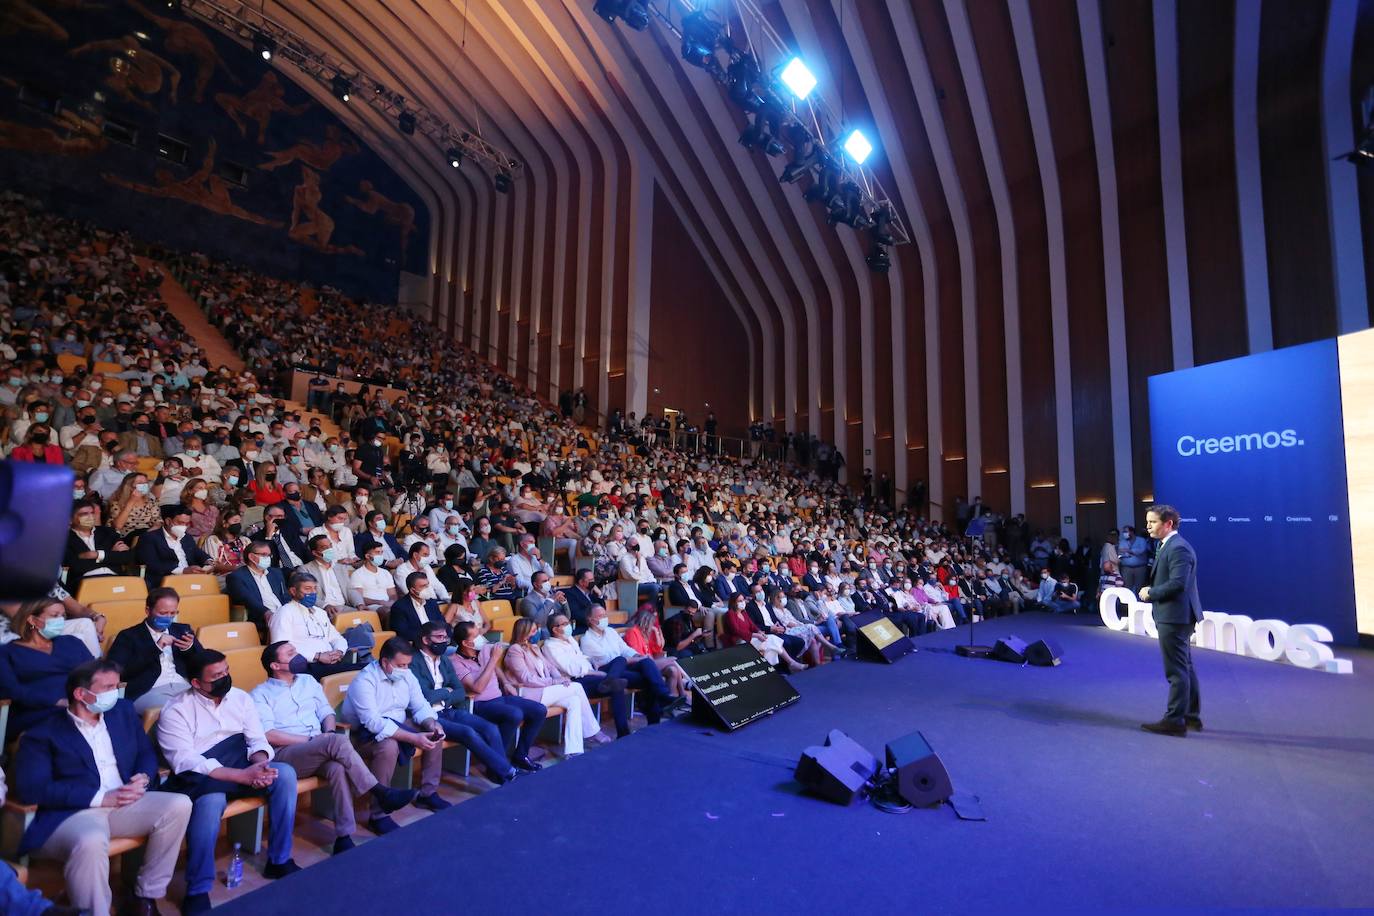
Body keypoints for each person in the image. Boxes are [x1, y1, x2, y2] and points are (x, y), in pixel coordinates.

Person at [12, 659, 194, 916]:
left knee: (179, 804)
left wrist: (141, 776)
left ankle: (146, 897)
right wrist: (101, 798)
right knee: (91, 840)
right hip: (75, 812)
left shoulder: (122, 711)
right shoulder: (43, 733)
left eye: (115, 685)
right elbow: (33, 789)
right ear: (80, 693)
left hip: (124, 801)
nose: (114, 692)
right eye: (107, 687)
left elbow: (145, 752)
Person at [157, 650, 301, 914]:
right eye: (217, 676)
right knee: (210, 803)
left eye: (226, 671)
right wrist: (241, 776)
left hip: (242, 762)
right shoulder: (176, 710)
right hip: (204, 777)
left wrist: (260, 765)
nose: (225, 678)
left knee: (285, 775)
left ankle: (279, 860)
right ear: (196, 683)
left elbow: (256, 739)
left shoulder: (240, 698)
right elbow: (187, 761)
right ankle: (198, 888)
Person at [251, 641, 417, 853]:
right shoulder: (260, 694)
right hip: (286, 753)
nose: (298, 654)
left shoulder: (308, 681)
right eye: (291, 653)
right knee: (335, 741)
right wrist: (315, 741)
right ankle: (380, 792)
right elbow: (269, 734)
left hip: (317, 747)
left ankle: (344, 836)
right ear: (275, 665)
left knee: (337, 767)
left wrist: (327, 734)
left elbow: (326, 712)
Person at [337, 637, 453, 833]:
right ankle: (378, 814)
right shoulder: (364, 681)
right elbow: (374, 723)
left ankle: (427, 793)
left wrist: (432, 723)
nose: (405, 670)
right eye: (401, 665)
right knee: (389, 746)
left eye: (407, 665)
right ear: (384, 662)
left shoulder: (406, 675)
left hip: (398, 723)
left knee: (434, 733)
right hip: (363, 735)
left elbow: (420, 705)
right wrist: (413, 738)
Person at [406, 621, 522, 784]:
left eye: (446, 638)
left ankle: (501, 773)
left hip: (450, 710)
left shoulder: (444, 660)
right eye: (439, 637)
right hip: (430, 716)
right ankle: (507, 771)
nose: (444, 642)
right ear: (426, 640)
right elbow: (426, 696)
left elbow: (460, 692)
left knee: (490, 728)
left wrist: (446, 696)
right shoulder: (413, 662)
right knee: (468, 733)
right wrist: (447, 691)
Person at [1137, 505, 1203, 737]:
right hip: (1177, 615)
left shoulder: (1178, 548)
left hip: (1174, 616)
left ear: (1168, 524)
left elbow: (1177, 584)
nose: (1148, 527)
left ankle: (1175, 721)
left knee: (1176, 671)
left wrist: (1150, 593)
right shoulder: (1170, 545)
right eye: (1147, 522)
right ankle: (1190, 717)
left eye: (1152, 522)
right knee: (1184, 667)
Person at [450, 622, 549, 770]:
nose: (481, 638)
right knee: (514, 714)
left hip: (499, 697)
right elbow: (477, 688)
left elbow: (495, 667)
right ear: (465, 643)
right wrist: (493, 659)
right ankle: (497, 766)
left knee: (539, 710)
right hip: (479, 704)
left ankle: (521, 755)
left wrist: (506, 682)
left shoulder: (483, 650)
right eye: (476, 636)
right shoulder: (455, 661)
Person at [502, 617, 604, 755]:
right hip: (528, 693)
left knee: (574, 701)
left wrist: (559, 677)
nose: (537, 633)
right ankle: (593, 732)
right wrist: (555, 682)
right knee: (576, 687)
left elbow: (550, 667)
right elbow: (526, 679)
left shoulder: (534, 647)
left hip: (545, 690)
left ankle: (574, 750)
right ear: (524, 632)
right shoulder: (515, 650)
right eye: (533, 630)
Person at [0, 598, 95, 736]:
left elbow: (95, 673)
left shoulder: (72, 642)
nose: (60, 620)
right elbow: (12, 690)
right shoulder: (8, 653)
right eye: (55, 615)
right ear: (32, 620)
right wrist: (55, 700)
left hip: (80, 704)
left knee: (122, 708)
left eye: (63, 616)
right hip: (37, 711)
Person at [105, 587, 202, 712]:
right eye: (163, 613)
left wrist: (189, 648)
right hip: (147, 690)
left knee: (210, 702)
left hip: (182, 685)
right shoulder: (128, 636)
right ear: (148, 610)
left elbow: (204, 662)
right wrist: (156, 648)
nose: (168, 618)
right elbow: (117, 671)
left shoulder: (182, 630)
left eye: (173, 613)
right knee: (177, 711)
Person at [580, 606, 683, 722]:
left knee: (646, 662)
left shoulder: (610, 632)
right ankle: (657, 710)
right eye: (600, 616)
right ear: (590, 619)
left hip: (626, 665)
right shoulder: (587, 639)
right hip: (610, 672)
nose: (604, 618)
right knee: (648, 678)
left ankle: (663, 696)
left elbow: (625, 649)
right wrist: (632, 660)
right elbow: (608, 660)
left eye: (605, 615)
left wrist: (637, 656)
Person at [541, 611, 632, 738]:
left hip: (591, 674)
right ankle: (623, 733)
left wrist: (591, 663)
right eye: (565, 624)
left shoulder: (570, 640)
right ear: (555, 629)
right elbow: (572, 670)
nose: (569, 626)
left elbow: (583, 659)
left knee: (620, 660)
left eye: (568, 622)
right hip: (577, 681)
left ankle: (610, 679)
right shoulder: (550, 646)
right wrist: (593, 671)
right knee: (617, 684)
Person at [269, 571, 363, 678]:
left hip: (332, 662)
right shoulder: (284, 612)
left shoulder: (320, 612)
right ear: (293, 591)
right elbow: (280, 647)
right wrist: (317, 656)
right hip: (307, 666)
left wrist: (339, 651)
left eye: (314, 588)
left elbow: (336, 638)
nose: (313, 593)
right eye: (307, 589)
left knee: (368, 669)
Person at [720, 593, 805, 673]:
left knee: (771, 645)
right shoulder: (730, 614)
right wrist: (756, 635)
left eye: (743, 600)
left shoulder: (743, 612)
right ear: (733, 602)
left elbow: (752, 626)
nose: (742, 602)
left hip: (750, 637)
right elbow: (736, 631)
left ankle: (778, 668)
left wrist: (759, 632)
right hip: (739, 640)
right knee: (771, 640)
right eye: (739, 601)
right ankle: (791, 663)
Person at [136, 504, 214, 587]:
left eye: (187, 524)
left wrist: (208, 561)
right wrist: (183, 571)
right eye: (181, 523)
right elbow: (152, 564)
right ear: (168, 521)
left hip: (191, 579)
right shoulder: (150, 538)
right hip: (165, 581)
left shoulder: (186, 537)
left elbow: (198, 553)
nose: (184, 526)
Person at [622, 607, 692, 698]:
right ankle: (683, 691)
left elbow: (659, 648)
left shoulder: (646, 634)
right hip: (642, 664)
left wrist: (656, 632)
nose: (652, 626)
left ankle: (672, 698)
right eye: (652, 624)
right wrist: (649, 657)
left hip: (652, 663)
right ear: (645, 622)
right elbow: (636, 655)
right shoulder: (632, 632)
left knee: (673, 670)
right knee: (673, 660)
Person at [226, 539, 289, 632]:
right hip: (261, 618)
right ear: (251, 556)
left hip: (283, 616)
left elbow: (285, 596)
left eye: (269, 555)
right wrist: (266, 613)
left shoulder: (276, 573)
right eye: (264, 555)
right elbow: (248, 600)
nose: (268, 558)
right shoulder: (236, 577)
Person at [1118, 524, 1149, 594]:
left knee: (1140, 588)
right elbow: (1121, 553)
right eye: (1123, 532)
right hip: (1126, 568)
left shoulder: (1141, 540)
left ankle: (1139, 603)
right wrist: (1129, 552)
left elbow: (1141, 550)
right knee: (1127, 589)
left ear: (1131, 532)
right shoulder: (1122, 542)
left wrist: (1129, 551)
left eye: (1126, 531)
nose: (1124, 533)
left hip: (1140, 568)